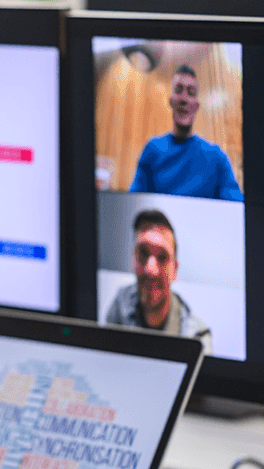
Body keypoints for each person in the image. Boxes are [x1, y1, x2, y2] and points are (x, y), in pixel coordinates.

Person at [129, 65, 243, 202]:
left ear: (196, 105)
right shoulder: (152, 150)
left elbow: (236, 207)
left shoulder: (217, 158)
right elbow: (134, 201)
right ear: (171, 101)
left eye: (191, 92)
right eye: (178, 90)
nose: (184, 99)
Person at [105, 209, 212, 352]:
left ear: (175, 269)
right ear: (134, 259)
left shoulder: (197, 339)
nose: (151, 270)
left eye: (162, 257)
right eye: (143, 252)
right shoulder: (120, 305)